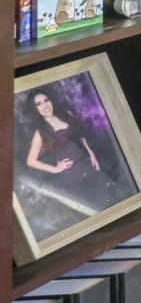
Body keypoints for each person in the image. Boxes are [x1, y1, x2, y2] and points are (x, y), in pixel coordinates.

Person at [21, 89, 123, 218]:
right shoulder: (40, 132)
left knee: (113, 197)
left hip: (87, 164)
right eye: (39, 104)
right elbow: (30, 161)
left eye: (46, 100)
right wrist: (55, 169)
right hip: (72, 177)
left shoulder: (66, 115)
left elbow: (80, 134)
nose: (45, 105)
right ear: (35, 109)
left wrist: (91, 153)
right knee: (97, 210)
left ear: (51, 101)